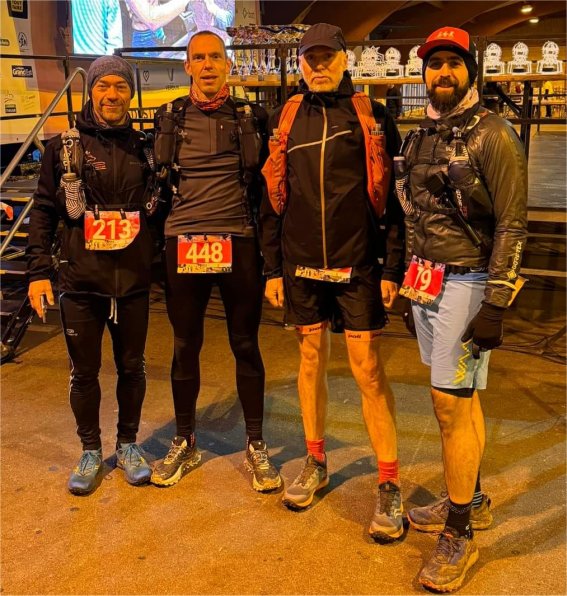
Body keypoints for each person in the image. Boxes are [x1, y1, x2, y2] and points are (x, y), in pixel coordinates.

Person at [259, 23, 405, 541]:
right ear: (299, 64)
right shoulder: (285, 116)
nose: (318, 66)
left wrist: (392, 267)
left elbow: (395, 199)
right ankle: (316, 460)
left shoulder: (372, 116)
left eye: (327, 57)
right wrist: (271, 268)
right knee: (308, 361)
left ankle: (389, 482)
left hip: (357, 266)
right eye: (310, 58)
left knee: (368, 371)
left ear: (346, 60)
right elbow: (270, 196)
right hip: (301, 266)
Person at [396, 27, 528, 591]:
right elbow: (414, 215)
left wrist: (495, 302)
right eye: (434, 64)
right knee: (458, 400)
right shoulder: (421, 135)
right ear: (423, 73)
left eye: (453, 63)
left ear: (471, 71)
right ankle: (470, 500)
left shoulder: (494, 133)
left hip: (468, 282)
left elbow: (513, 223)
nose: (443, 73)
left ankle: (458, 533)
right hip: (428, 283)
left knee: (449, 406)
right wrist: (410, 289)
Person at [150, 31, 282, 493]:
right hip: (183, 241)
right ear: (187, 66)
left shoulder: (250, 116)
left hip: (238, 240)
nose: (207, 65)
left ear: (228, 64)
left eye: (215, 57)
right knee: (185, 345)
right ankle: (184, 439)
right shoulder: (168, 117)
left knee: (245, 344)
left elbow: (269, 186)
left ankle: (256, 443)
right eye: (199, 58)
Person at [27, 56, 158, 495]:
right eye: (104, 87)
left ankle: (128, 445)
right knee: (84, 373)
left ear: (131, 94)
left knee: (132, 368)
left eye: (121, 86)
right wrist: (38, 272)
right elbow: (43, 211)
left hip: (132, 283)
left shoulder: (145, 147)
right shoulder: (63, 147)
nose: (112, 95)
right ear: (91, 92)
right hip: (81, 282)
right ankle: (89, 450)